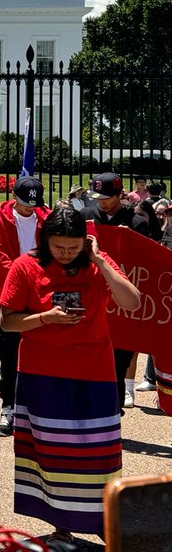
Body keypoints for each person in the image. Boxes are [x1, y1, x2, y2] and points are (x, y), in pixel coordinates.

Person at [0, 207, 141, 542]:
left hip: (95, 371)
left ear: (85, 242)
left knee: (100, 452)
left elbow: (132, 301)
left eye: (73, 248)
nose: (65, 254)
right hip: (42, 372)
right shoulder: (26, 266)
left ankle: (104, 523)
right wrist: (45, 318)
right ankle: (61, 525)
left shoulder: (95, 264)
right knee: (51, 451)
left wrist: (101, 261)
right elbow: (7, 322)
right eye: (59, 247)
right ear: (45, 240)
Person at [81, 171, 158, 413]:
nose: (100, 201)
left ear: (119, 194)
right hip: (91, 297)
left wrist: (130, 238)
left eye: (106, 196)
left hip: (120, 302)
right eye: (97, 196)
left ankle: (112, 411)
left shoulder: (135, 222)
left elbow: (147, 259)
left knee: (118, 359)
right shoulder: (85, 217)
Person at [0, 175, 49, 438]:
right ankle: (8, 407)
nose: (29, 207)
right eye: (24, 203)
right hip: (11, 293)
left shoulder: (47, 218)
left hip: (40, 293)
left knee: (42, 353)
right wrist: (26, 280)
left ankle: (37, 410)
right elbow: (1, 259)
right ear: (13, 196)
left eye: (33, 203)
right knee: (9, 355)